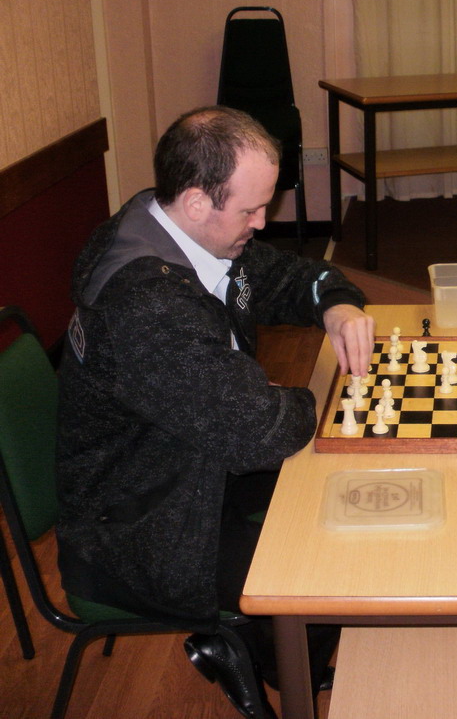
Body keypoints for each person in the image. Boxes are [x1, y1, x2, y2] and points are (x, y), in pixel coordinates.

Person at [55, 106, 375, 719]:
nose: (264, 223)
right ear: (198, 200)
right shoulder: (147, 305)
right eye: (251, 211)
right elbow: (261, 432)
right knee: (334, 546)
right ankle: (270, 658)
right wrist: (332, 397)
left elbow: (281, 277)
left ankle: (279, 650)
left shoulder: (178, 226)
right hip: (142, 526)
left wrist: (334, 301)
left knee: (349, 491)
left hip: (185, 464)